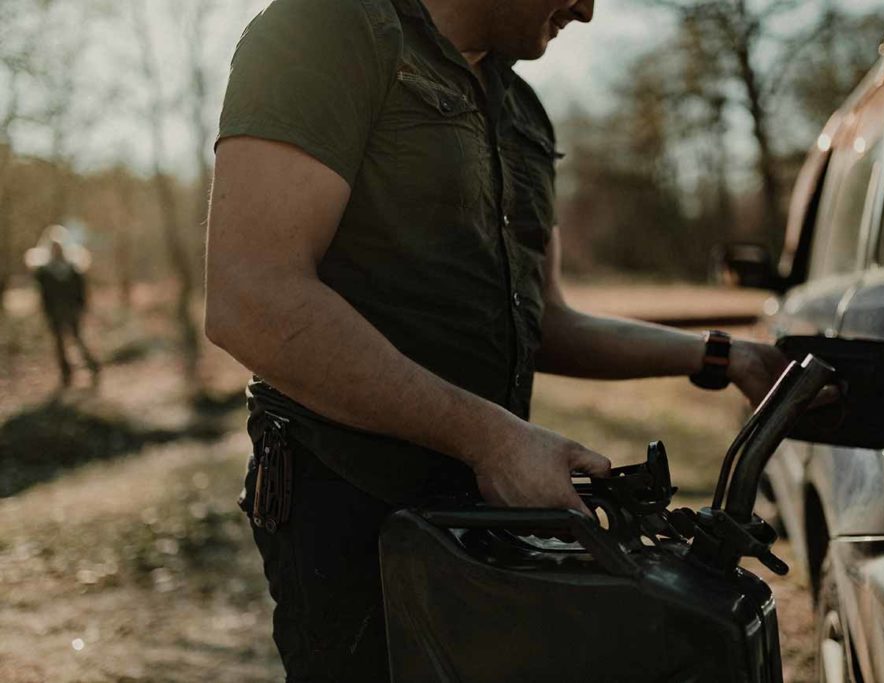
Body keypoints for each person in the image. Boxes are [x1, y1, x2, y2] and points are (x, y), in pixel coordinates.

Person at [205, 0, 790, 679]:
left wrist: (726, 356)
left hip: (485, 520)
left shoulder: (524, 111)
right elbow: (251, 298)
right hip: (348, 511)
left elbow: (552, 319)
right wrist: (493, 437)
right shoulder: (325, 30)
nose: (587, 10)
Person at [24, 225, 100, 388]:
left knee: (77, 339)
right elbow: (43, 294)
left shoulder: (72, 269)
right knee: (59, 344)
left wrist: (81, 307)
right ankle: (66, 375)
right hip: (54, 312)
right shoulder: (44, 272)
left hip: (72, 310)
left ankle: (93, 367)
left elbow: (81, 291)